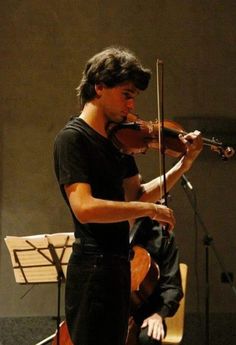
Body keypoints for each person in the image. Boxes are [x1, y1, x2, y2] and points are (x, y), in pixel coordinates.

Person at [53, 46, 202, 345]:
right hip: (93, 268)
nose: (132, 104)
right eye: (126, 93)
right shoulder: (73, 139)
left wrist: (183, 165)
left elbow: (140, 194)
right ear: (99, 88)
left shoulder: (117, 142)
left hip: (119, 266)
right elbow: (84, 207)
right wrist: (147, 210)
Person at [127, 217, 183, 345]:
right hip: (110, 308)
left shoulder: (163, 236)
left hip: (147, 313)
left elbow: (172, 287)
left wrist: (158, 315)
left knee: (148, 338)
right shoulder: (111, 229)